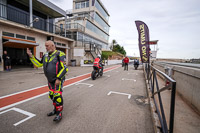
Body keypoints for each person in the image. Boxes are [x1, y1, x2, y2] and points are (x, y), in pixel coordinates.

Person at [27, 40, 68, 122]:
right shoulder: (45, 55)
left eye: (47, 46)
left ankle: (59, 113)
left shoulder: (60, 54)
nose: (46, 47)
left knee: (57, 96)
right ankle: (55, 109)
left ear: (53, 45)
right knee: (52, 95)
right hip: (50, 80)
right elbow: (39, 64)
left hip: (57, 79)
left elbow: (65, 68)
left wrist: (59, 78)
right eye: (45, 46)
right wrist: (31, 56)